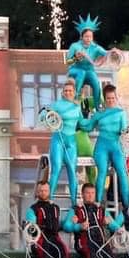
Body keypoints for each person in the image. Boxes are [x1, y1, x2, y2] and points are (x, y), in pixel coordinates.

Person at [82, 84, 129, 208]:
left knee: (122, 173)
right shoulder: (99, 114)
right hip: (102, 146)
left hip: (116, 146)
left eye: (112, 98)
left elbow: (124, 129)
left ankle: (128, 207)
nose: (110, 100)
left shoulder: (121, 113)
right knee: (102, 172)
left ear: (116, 98)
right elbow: (88, 126)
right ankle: (97, 204)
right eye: (108, 98)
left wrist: (126, 131)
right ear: (105, 99)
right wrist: (80, 117)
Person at [64, 182, 122, 258]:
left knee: (110, 256)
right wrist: (79, 226)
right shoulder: (75, 209)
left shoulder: (101, 209)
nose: (90, 195)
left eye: (92, 193)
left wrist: (116, 228)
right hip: (83, 242)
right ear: (82, 194)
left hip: (100, 241)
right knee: (90, 253)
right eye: (87, 193)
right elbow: (66, 226)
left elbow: (113, 225)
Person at [42, 79, 83, 207]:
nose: (68, 92)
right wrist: (46, 115)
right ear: (62, 92)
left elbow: (83, 124)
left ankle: (73, 202)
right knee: (57, 168)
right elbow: (44, 115)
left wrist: (96, 120)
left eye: (70, 90)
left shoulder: (77, 107)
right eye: (65, 90)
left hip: (71, 141)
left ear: (74, 92)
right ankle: (50, 199)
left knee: (72, 170)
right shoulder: (56, 104)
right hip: (58, 140)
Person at [24, 181, 70, 258]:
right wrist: (31, 225)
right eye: (41, 191)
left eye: (45, 190)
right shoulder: (32, 209)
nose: (43, 193)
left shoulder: (55, 208)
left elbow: (59, 224)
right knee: (44, 253)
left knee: (64, 250)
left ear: (49, 192)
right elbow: (31, 227)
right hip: (40, 238)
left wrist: (69, 220)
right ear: (37, 192)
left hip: (54, 237)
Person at [64, 14, 108, 110]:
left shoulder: (95, 47)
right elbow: (68, 62)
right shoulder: (75, 46)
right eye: (86, 36)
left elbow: (106, 53)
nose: (88, 39)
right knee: (81, 73)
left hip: (89, 71)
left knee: (96, 84)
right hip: (75, 70)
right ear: (81, 37)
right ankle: (76, 98)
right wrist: (75, 58)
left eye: (90, 37)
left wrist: (114, 52)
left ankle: (98, 106)